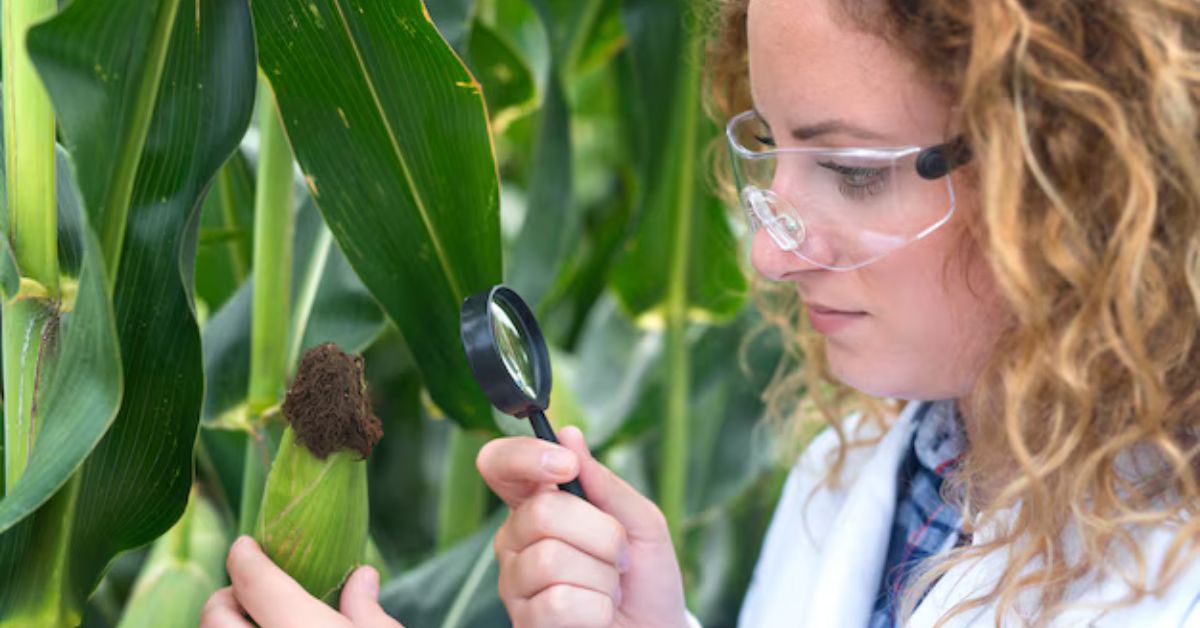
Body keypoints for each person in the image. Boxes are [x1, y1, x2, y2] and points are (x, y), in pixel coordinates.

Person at [203, 0, 1200, 625]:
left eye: (853, 173)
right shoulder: (876, 469)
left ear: (1078, 169)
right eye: (769, 151)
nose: (769, 252)